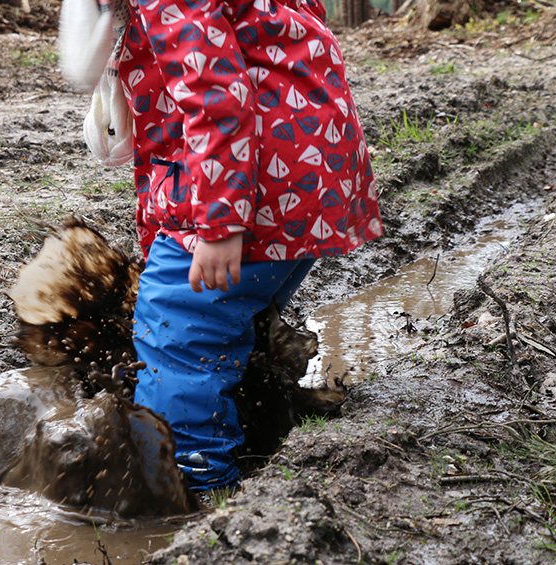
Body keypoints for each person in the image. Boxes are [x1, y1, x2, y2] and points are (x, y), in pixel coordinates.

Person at [65, 0, 383, 491]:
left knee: (179, 328)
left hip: (251, 185)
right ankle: (260, 416)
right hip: (306, 165)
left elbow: (215, 92)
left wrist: (220, 222)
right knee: (229, 317)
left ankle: (191, 480)